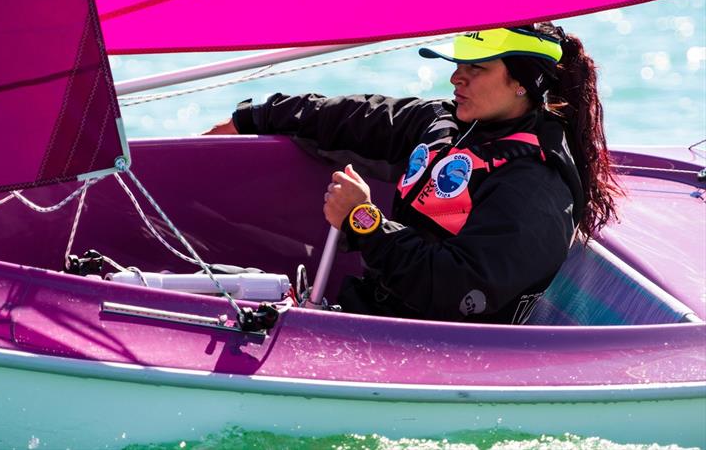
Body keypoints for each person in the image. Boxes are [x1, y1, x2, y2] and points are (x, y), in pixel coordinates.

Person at [205, 23, 621, 323]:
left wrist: (362, 221)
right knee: (221, 286)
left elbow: (461, 290)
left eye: (477, 68)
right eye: (460, 64)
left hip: (435, 357)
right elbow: (352, 116)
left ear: (523, 83)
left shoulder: (535, 186)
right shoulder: (446, 124)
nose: (457, 76)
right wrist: (250, 118)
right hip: (372, 318)